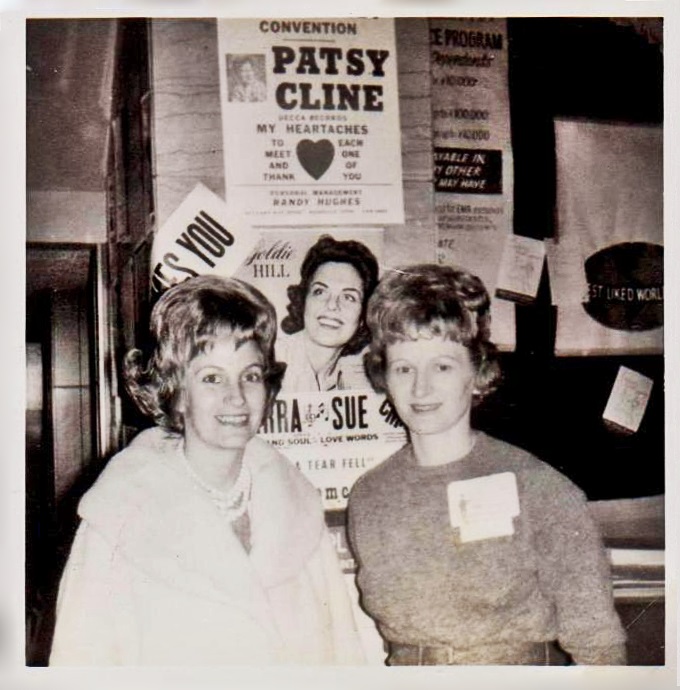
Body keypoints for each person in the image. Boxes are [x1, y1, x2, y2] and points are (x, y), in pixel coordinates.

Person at [50, 275, 364, 665]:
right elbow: (78, 662)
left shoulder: (298, 507)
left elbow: (345, 655)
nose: (236, 397)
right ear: (175, 392)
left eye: (249, 375)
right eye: (212, 378)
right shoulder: (118, 517)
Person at [347, 264, 626, 666]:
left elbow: (599, 647)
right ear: (384, 376)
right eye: (404, 368)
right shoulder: (371, 495)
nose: (420, 388)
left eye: (442, 366)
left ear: (477, 371)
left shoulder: (538, 488)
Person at [278, 235, 379, 392]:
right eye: (320, 291)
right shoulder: (272, 362)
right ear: (303, 301)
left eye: (348, 297)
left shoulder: (349, 382)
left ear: (363, 317)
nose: (332, 305)